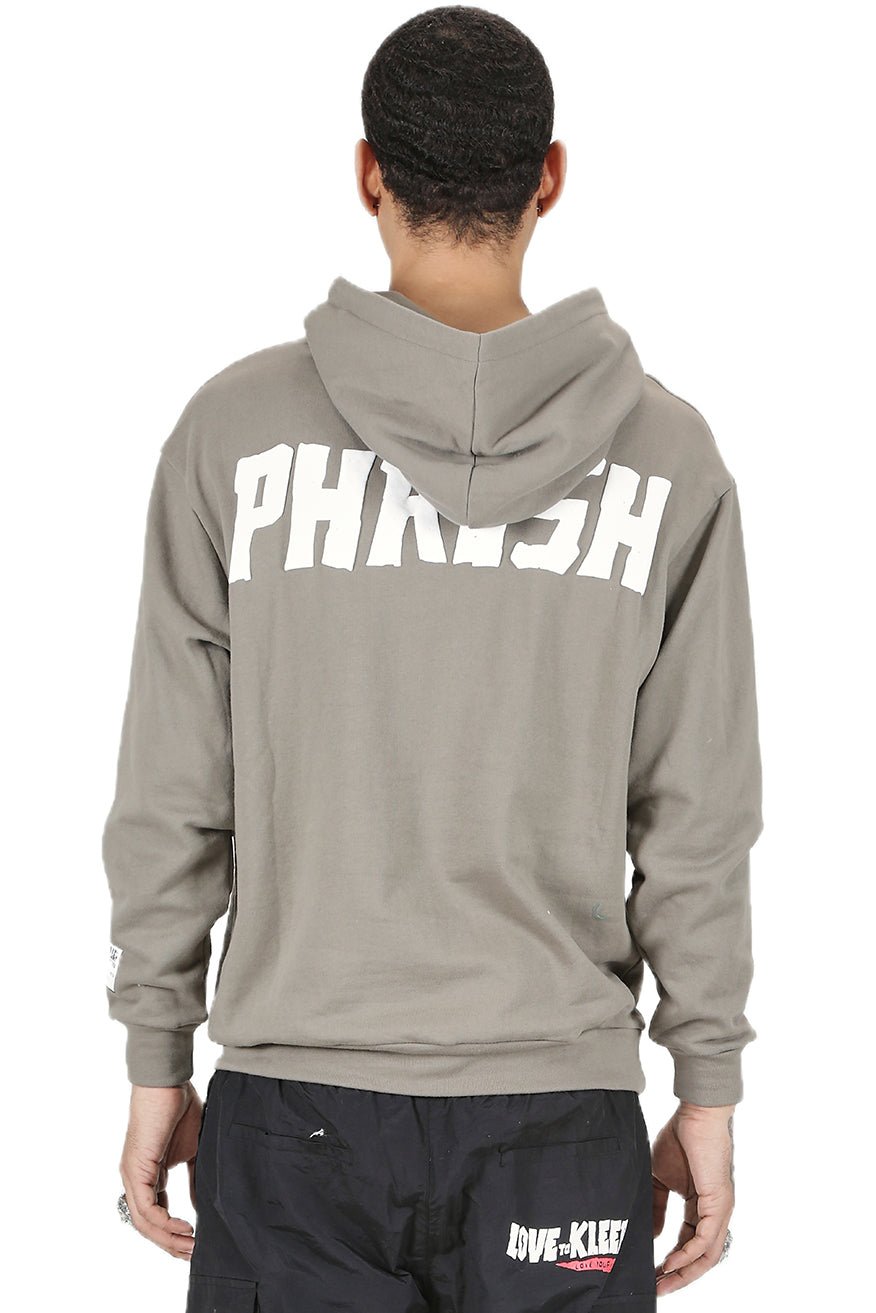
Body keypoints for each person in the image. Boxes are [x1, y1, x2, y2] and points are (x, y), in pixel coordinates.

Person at [103, 7, 763, 1311]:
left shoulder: (233, 437)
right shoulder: (668, 460)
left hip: (295, 1110)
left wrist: (155, 1054)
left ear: (369, 175)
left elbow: (174, 785)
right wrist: (707, 1084)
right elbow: (698, 813)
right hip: (559, 1110)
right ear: (549, 178)